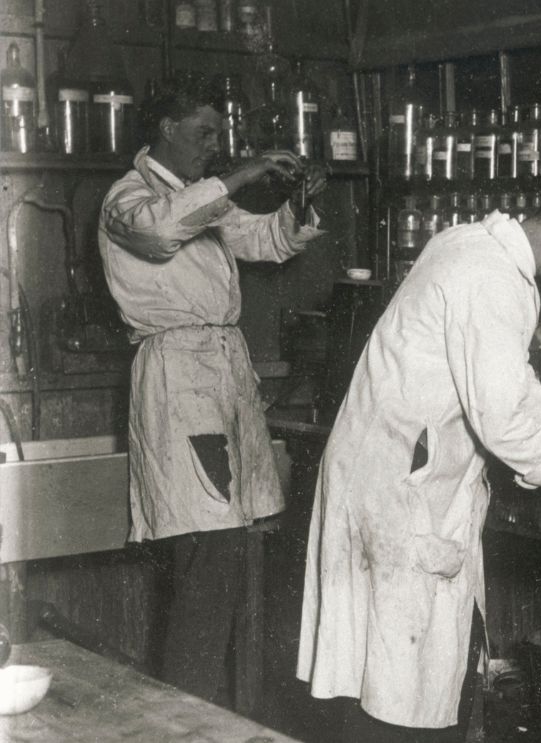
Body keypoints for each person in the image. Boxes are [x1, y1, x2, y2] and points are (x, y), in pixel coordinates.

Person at [297, 185, 541, 741]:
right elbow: (500, 422)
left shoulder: (476, 247)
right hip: (401, 493)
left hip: (392, 478)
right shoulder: (491, 276)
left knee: (395, 677)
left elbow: (512, 378)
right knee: (395, 692)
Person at [97, 73, 326, 706]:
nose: (212, 146)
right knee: (208, 552)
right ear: (166, 130)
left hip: (219, 369)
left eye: (217, 136)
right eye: (203, 134)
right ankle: (186, 718)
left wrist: (299, 206)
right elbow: (162, 232)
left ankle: (202, 714)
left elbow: (262, 239)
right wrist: (244, 170)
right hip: (179, 376)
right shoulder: (130, 197)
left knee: (222, 552)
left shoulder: (196, 196)